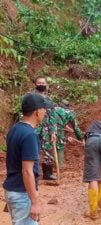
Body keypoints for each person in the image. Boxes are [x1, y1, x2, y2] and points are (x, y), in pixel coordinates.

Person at [3, 93, 48, 225]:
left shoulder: (15, 129)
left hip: (12, 189)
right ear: (37, 111)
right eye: (44, 109)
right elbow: (27, 171)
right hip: (21, 193)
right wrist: (35, 202)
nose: (45, 112)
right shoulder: (29, 135)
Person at [32, 76, 58, 180]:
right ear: (35, 84)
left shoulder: (49, 99)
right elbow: (24, 112)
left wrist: (53, 131)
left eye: (43, 83)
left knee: (48, 150)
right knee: (33, 149)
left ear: (46, 85)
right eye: (39, 83)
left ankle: (48, 174)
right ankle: (33, 173)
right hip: (34, 128)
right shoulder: (31, 97)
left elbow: (52, 115)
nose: (41, 84)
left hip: (47, 129)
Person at [54, 102, 84, 168]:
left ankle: (51, 165)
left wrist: (68, 129)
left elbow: (61, 121)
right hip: (57, 127)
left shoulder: (56, 109)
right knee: (60, 144)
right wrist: (81, 137)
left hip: (48, 125)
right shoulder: (70, 113)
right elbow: (75, 127)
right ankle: (60, 165)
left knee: (49, 143)